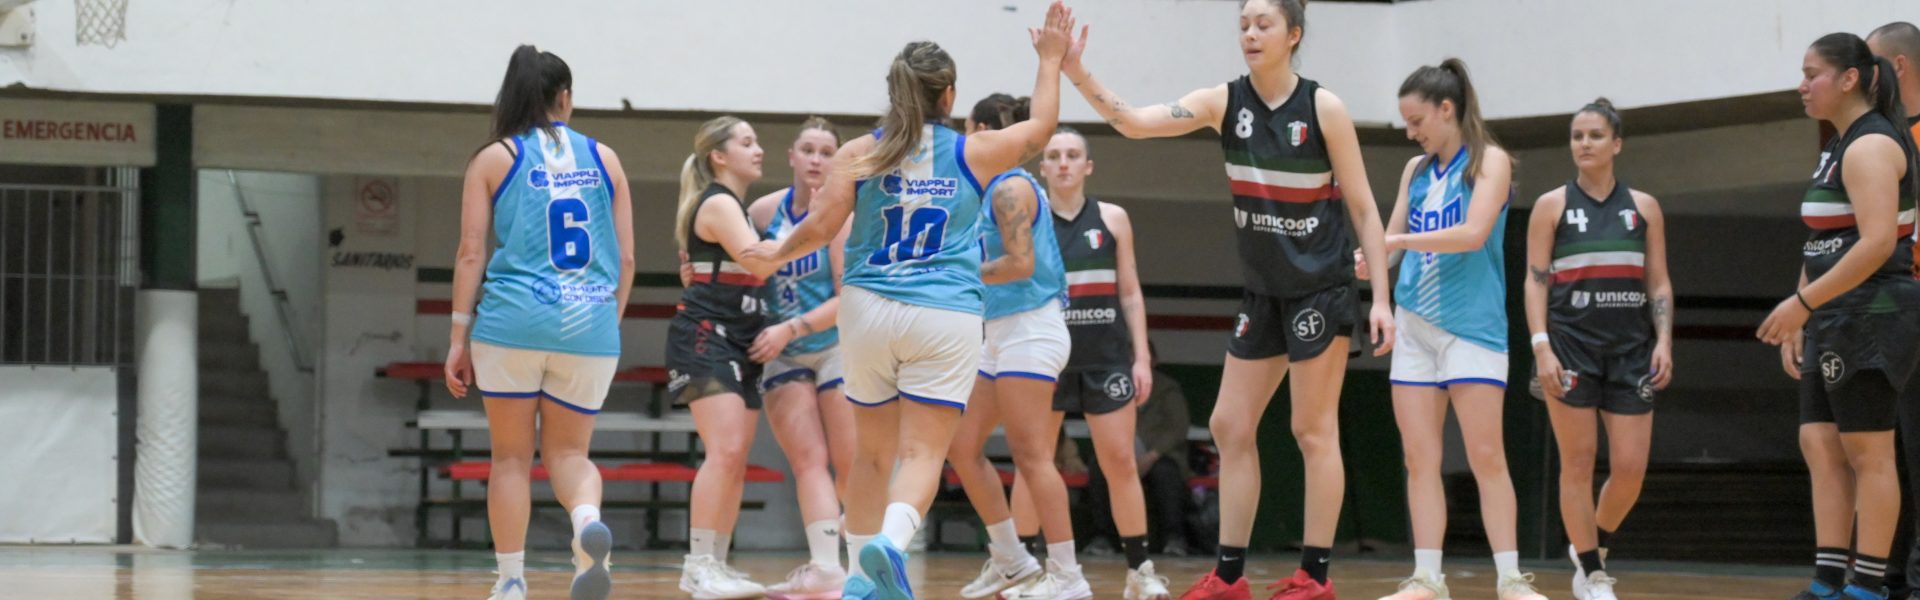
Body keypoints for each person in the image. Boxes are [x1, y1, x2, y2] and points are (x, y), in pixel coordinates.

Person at [1057, 0, 1396, 596]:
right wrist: (1077, 71)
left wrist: (1382, 300)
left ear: (1293, 34)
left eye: (1264, 24)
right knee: (1229, 424)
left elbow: (1365, 209)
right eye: (1243, 25)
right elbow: (1133, 122)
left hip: (1320, 288)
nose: (1250, 34)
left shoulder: (1324, 108)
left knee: (1311, 430)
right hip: (1263, 292)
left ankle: (1314, 578)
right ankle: (1230, 576)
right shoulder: (1223, 101)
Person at [742, 5, 1075, 598]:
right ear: (948, 95)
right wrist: (1050, 60)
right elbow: (1043, 126)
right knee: (923, 452)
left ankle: (856, 581)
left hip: (867, 309)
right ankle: (890, 546)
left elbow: (820, 228)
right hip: (944, 312)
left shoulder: (859, 153)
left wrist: (773, 254)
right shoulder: (973, 152)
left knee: (870, 456)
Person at [443, 45, 634, 600]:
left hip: (512, 324)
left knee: (510, 458)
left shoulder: (493, 158)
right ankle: (586, 523)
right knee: (571, 455)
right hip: (590, 324)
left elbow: (471, 253)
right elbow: (626, 260)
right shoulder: (606, 158)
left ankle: (510, 581)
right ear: (565, 98)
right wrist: (607, 323)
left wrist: (457, 338)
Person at [1373, 59, 1545, 600]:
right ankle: (1427, 578)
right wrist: (1369, 265)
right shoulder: (1414, 170)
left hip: (1472, 325)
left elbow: (1472, 234)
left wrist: (1398, 244)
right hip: (1414, 326)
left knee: (1486, 456)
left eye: (1417, 120)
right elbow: (1388, 245)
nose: (1411, 132)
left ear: (1447, 109)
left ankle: (1511, 579)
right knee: (1418, 458)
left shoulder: (1490, 161)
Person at [1758, 32, 1920, 600]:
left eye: (1812, 75)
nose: (1802, 86)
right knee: (1819, 443)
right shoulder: (1836, 145)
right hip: (1832, 312)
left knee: (1869, 452)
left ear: (1850, 79)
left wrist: (1802, 304)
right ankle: (1828, 579)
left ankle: (1869, 585)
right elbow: (1824, 241)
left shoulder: (1871, 144)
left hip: (1874, 311)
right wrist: (1802, 312)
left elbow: (1876, 243)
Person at [940, 93, 1089, 600]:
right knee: (962, 446)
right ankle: (1010, 559)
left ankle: (1068, 576)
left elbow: (1021, 265)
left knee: (1031, 455)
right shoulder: (988, 190)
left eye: (967, 130)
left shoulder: (1009, 187)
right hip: (1000, 331)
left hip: (1031, 327)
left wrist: (954, 272)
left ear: (984, 132)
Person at [1523, 97, 1672, 600]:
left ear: (1617, 144)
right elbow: (1535, 280)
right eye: (1577, 136)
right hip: (1570, 348)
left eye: (1595, 135)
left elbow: (1658, 282)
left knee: (1629, 470)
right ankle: (1591, 574)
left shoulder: (1644, 208)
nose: (1584, 144)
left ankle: (1592, 546)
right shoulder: (1551, 206)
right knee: (1579, 463)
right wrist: (1542, 347)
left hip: (1632, 351)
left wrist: (1664, 340)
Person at [1038, 125, 1171, 599]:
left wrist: (1142, 357)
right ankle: (1037, 569)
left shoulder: (1113, 218)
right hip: (1047, 359)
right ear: (1042, 168)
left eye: (1073, 154)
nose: (1064, 162)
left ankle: (1140, 571)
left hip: (1108, 358)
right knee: (1037, 463)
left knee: (1119, 462)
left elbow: (1130, 292)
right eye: (1054, 155)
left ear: (1088, 165)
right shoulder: (1030, 219)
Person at [667, 115, 780, 599]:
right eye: (747, 142)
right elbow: (758, 260)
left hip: (741, 339)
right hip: (705, 335)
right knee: (725, 452)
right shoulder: (717, 202)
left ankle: (717, 562)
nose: (759, 150)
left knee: (735, 460)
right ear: (719, 155)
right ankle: (697, 566)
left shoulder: (740, 209)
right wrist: (810, 236)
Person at [747, 117, 858, 600]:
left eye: (826, 152)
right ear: (791, 155)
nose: (816, 159)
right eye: (808, 149)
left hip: (835, 345)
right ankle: (826, 570)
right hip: (783, 352)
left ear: (837, 162)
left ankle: (867, 564)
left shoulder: (842, 218)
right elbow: (735, 266)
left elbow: (847, 298)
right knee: (809, 461)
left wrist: (792, 326)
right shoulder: (762, 211)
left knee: (851, 466)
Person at [1866, 21, 1920, 599]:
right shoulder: (1881, 139)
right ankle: (1889, 577)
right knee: (1889, 450)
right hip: (1891, 311)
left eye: (1870, 62)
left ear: (1897, 67)